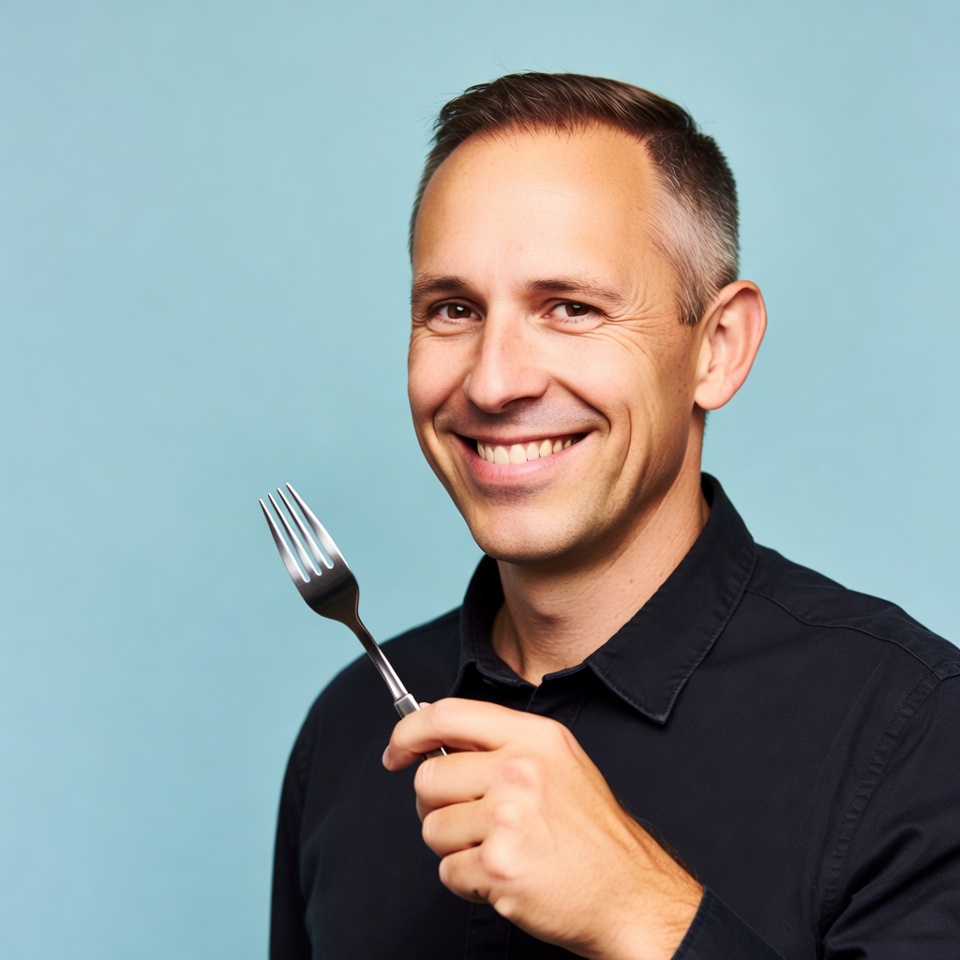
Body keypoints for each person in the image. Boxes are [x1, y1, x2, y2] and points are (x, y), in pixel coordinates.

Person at [270, 73, 960, 959]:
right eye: (453, 309)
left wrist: (646, 914)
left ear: (717, 348)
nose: (492, 381)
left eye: (571, 308)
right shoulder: (350, 728)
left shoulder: (917, 734)